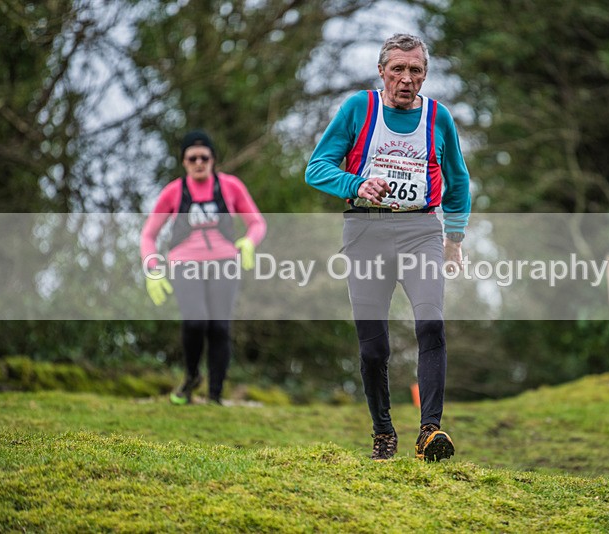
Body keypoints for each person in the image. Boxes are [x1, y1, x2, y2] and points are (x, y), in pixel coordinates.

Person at [305, 34, 471, 461]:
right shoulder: (358, 108)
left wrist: (454, 239)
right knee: (373, 345)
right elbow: (316, 168)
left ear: (425, 75)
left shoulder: (439, 118)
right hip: (365, 232)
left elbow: (458, 181)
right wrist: (358, 183)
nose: (406, 78)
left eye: (415, 70)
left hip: (421, 231)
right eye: (397, 69)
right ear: (382, 71)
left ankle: (430, 431)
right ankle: (383, 432)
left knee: (431, 324)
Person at [141, 130, 266, 405]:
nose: (199, 162)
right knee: (195, 321)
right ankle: (192, 375)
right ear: (184, 162)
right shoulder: (173, 192)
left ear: (213, 160)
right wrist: (152, 267)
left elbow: (257, 222)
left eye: (204, 157)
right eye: (192, 158)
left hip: (225, 263)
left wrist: (248, 243)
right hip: (185, 264)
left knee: (220, 327)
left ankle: (215, 394)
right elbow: (148, 235)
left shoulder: (231, 186)